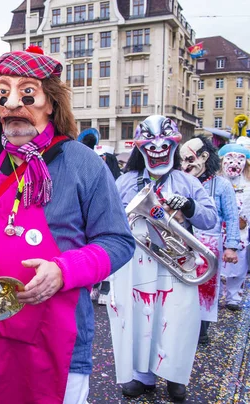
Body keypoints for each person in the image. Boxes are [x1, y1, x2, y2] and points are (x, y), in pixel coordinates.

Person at [0, 46, 135, 403]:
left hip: (52, 334)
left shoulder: (84, 164)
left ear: (50, 103)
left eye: (26, 92)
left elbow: (118, 241)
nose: (12, 104)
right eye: (3, 93)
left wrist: (63, 270)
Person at [108, 116, 218, 402]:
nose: (158, 148)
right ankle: (143, 377)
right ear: (141, 149)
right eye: (151, 144)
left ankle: (175, 376)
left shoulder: (189, 181)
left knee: (178, 319)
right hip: (137, 262)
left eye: (164, 144)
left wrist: (190, 207)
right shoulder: (126, 181)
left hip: (178, 263)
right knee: (142, 318)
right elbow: (110, 217)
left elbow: (210, 219)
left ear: (173, 145)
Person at [179, 136, 240, 344]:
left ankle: (201, 331)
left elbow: (232, 216)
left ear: (204, 157)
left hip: (210, 244)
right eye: (182, 161)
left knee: (205, 289)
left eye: (189, 159)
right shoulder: (181, 181)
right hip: (183, 242)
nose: (185, 165)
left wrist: (232, 247)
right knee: (183, 287)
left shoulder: (221, 185)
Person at [218, 144, 250, 311]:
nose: (234, 163)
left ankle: (233, 297)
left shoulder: (248, 184)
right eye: (230, 158)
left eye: (240, 159)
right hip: (217, 232)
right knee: (215, 266)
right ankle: (214, 296)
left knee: (238, 268)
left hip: (241, 234)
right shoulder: (215, 182)